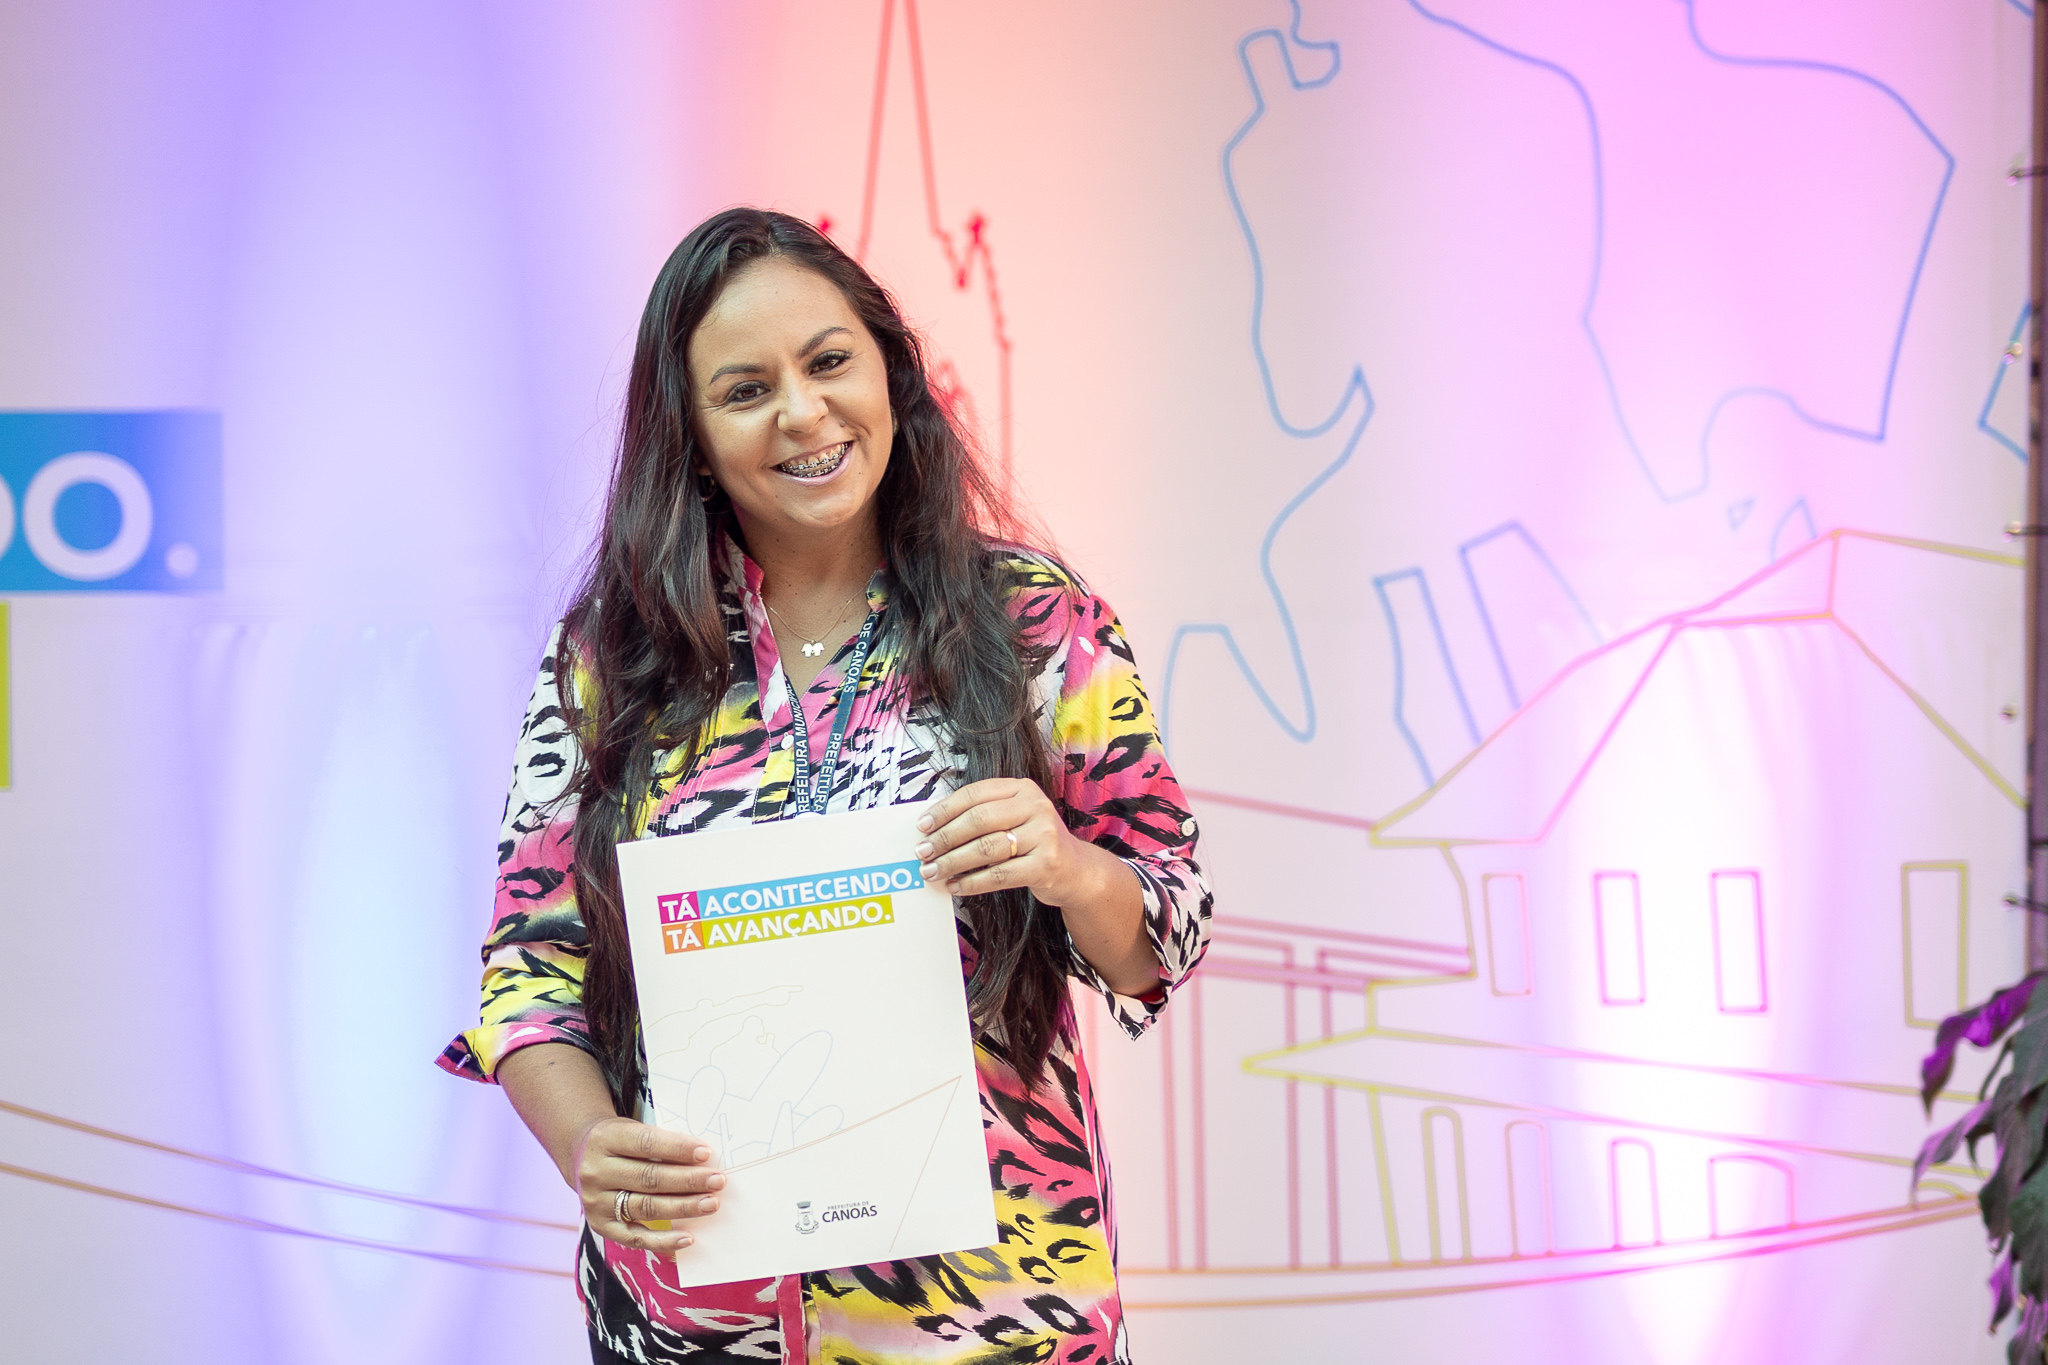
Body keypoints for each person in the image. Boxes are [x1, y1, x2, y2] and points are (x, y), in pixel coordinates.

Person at [438, 206, 1211, 1364]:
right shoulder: (609, 659)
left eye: (829, 361)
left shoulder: (1034, 622)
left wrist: (1064, 865)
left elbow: (1163, 932)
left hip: (996, 1316)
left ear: (888, 372)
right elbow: (528, 968)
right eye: (745, 390)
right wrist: (588, 1144)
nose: (802, 413)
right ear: (690, 435)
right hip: (697, 1319)